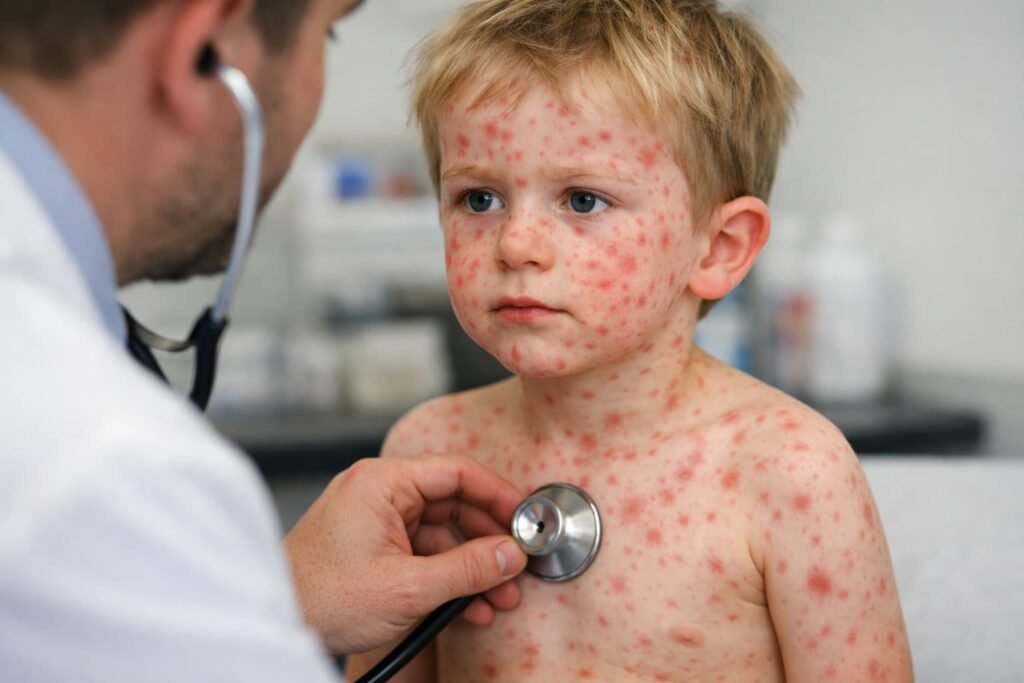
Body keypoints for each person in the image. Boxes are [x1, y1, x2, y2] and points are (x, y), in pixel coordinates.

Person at [347, 0, 914, 681]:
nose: (515, 243)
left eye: (583, 199)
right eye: (478, 199)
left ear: (719, 247)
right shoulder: (428, 453)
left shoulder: (788, 471)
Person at [0, 0, 531, 680]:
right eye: (327, 35)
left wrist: (282, 598)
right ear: (201, 54)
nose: (518, 245)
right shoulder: (96, 466)